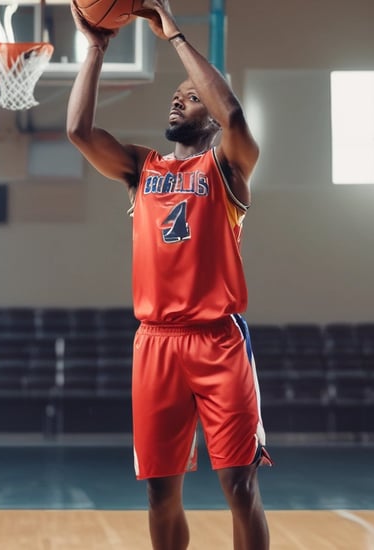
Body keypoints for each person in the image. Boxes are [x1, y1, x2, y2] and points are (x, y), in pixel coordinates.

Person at [67, 1, 272, 548]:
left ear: (207, 112)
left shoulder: (227, 167)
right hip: (155, 344)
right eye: (174, 96)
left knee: (239, 486)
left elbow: (235, 118)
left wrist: (174, 31)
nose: (178, 99)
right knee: (161, 495)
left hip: (218, 342)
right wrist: (95, 49)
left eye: (189, 96)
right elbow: (78, 131)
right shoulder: (141, 168)